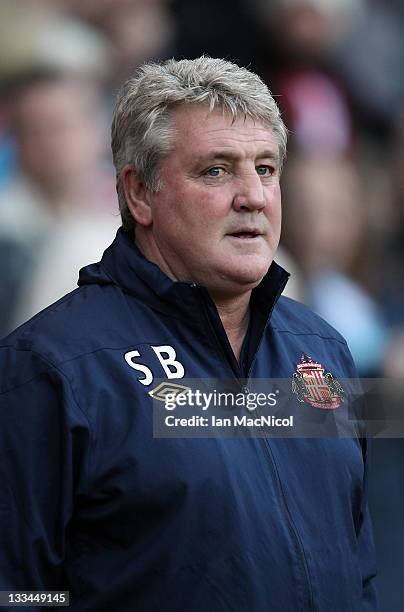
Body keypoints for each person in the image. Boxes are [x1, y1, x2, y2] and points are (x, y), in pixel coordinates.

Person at [0, 57, 377, 611]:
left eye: (266, 169)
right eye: (216, 171)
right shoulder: (51, 366)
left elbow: (358, 568)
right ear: (139, 194)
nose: (252, 196)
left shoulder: (322, 350)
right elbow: (22, 593)